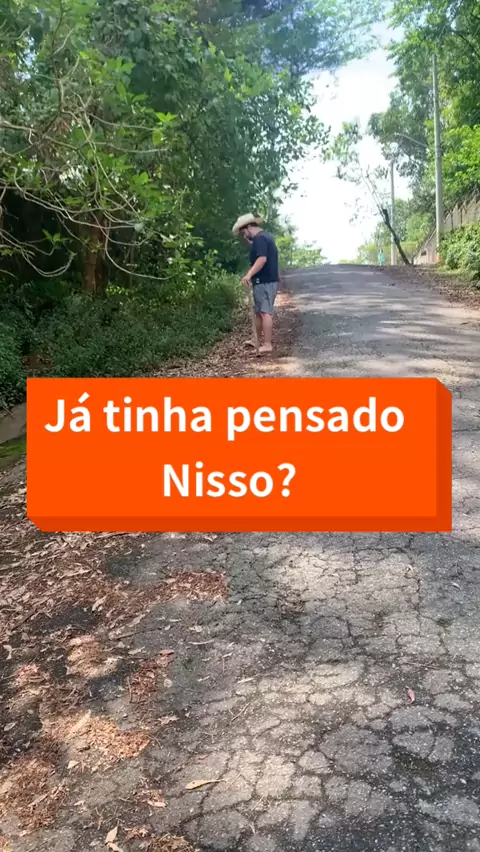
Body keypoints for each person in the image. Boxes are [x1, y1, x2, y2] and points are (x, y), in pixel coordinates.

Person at [232, 213, 279, 354]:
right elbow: (254, 248)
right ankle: (256, 340)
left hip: (265, 281)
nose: (244, 236)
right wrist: (245, 239)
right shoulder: (264, 238)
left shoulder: (260, 239)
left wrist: (249, 274)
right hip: (264, 280)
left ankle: (267, 344)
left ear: (249, 227)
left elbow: (262, 259)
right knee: (259, 312)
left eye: (243, 232)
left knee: (264, 312)